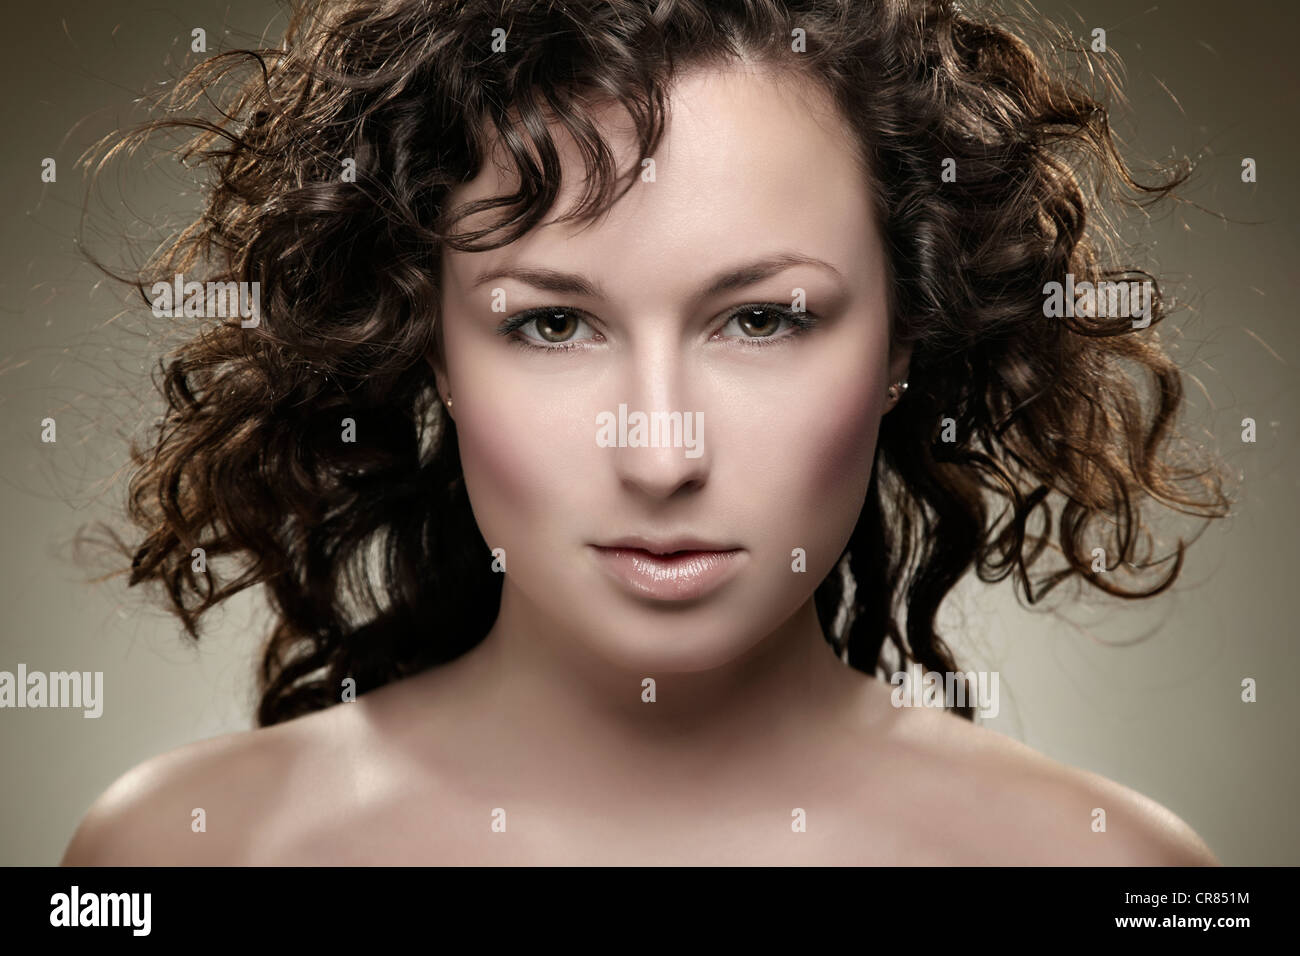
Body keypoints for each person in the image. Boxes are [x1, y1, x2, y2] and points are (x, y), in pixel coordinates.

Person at [61, 0, 1230, 865]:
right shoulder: (174, 855)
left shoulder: (1118, 871)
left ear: (903, 345)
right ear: (431, 351)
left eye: (763, 318)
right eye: (555, 323)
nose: (661, 452)